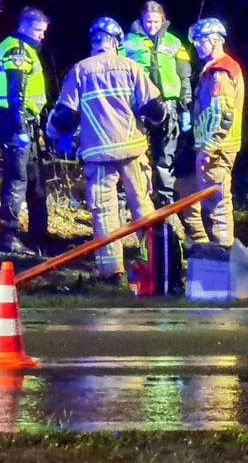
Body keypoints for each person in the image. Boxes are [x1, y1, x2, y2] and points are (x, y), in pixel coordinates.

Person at [46, 17, 165, 284]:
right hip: (132, 150)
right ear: (116, 42)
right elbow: (156, 110)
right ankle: (156, 262)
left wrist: (51, 134)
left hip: (98, 154)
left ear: (94, 41)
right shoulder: (131, 67)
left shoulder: (80, 70)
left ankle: (112, 272)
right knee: (142, 205)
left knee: (104, 212)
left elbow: (65, 116)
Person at [0, 6, 51, 254]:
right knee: (17, 179)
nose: (41, 36)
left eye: (44, 31)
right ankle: (8, 235)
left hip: (25, 122)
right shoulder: (17, 51)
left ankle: (39, 235)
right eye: (38, 30)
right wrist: (19, 126)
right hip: (15, 122)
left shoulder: (24, 49)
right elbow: (16, 93)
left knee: (35, 179)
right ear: (24, 27)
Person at [121, 0, 193, 208]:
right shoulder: (127, 43)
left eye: (155, 21)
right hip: (139, 107)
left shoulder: (175, 43)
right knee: (136, 155)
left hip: (168, 107)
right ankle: (136, 201)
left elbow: (184, 76)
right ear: (141, 20)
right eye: (147, 21)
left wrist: (185, 106)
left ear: (163, 20)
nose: (151, 25)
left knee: (165, 156)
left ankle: (165, 200)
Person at [182, 18, 244, 247]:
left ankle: (223, 252)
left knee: (217, 204)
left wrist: (207, 148)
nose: (197, 45)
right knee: (208, 200)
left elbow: (222, 116)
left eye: (201, 40)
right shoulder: (213, 69)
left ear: (216, 40)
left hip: (217, 149)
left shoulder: (221, 72)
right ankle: (214, 249)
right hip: (214, 146)